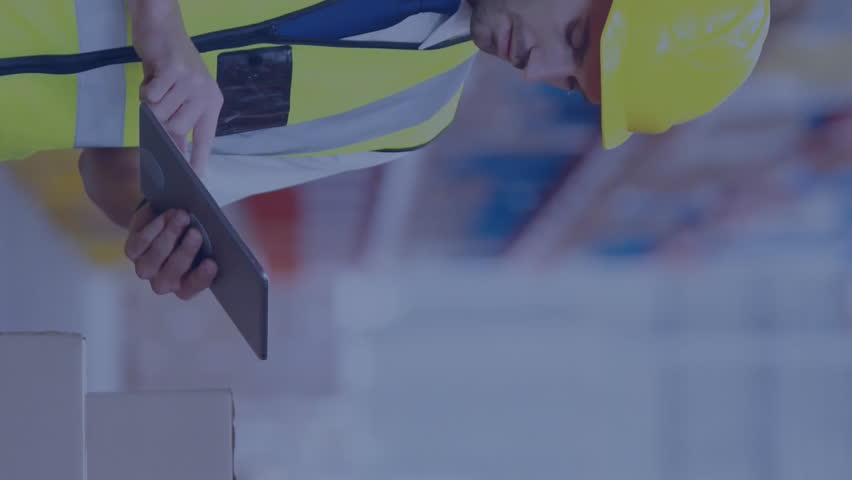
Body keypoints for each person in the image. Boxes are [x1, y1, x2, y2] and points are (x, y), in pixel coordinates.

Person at [0, 0, 770, 299]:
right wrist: (160, 24)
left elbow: (113, 168)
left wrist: (161, 227)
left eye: (571, 83)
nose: (538, 70)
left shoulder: (410, 113)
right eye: (574, 37)